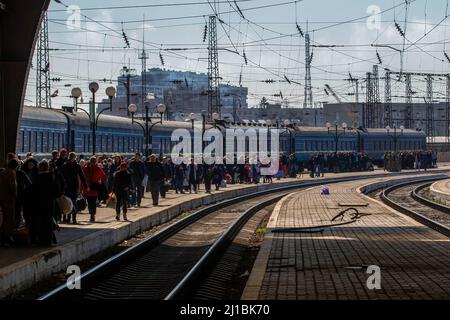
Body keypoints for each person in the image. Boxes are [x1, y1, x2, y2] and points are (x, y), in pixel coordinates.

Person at [30, 160, 59, 245]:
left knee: (41, 221)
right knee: (49, 220)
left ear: (41, 167)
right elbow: (56, 190)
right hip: (50, 202)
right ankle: (48, 240)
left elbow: (34, 191)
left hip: (39, 202)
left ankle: (41, 239)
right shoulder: (52, 176)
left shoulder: (38, 177)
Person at [60, 152, 87, 223]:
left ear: (75, 158)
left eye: (73, 157)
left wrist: (85, 185)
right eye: (71, 157)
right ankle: (68, 217)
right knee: (68, 201)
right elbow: (61, 176)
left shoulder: (76, 166)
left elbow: (82, 176)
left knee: (73, 202)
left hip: (74, 187)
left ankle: (73, 218)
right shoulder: (65, 165)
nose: (72, 158)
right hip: (67, 186)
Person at [0, 159, 19, 245]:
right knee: (9, 218)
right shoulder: (12, 173)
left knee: (4, 218)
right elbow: (13, 187)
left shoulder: (3, 172)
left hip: (2, 197)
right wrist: (15, 195)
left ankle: (3, 236)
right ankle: (7, 237)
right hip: (9, 199)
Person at [83, 156, 106, 222]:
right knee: (92, 202)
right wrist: (100, 181)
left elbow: (83, 178)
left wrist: (82, 188)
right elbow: (103, 176)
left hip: (88, 187)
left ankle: (92, 214)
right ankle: (92, 214)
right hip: (94, 187)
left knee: (90, 202)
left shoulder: (86, 168)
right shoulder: (97, 168)